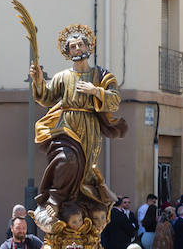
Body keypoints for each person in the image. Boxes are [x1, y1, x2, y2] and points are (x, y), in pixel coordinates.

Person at [28, 23, 125, 231]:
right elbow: (46, 97)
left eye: (80, 45)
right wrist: (37, 82)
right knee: (66, 159)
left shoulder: (102, 75)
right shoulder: (63, 77)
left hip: (89, 128)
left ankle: (77, 203)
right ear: (67, 52)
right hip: (65, 126)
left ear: (88, 47)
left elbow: (115, 100)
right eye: (73, 47)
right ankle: (55, 198)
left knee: (85, 170)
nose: (77, 49)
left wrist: (95, 91)